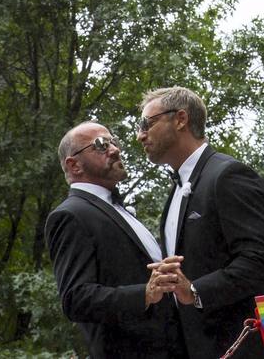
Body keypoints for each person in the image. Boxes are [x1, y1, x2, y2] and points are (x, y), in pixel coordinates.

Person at [137, 87, 264, 359]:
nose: (140, 134)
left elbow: (259, 262)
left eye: (147, 123)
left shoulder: (228, 175)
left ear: (180, 119)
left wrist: (194, 290)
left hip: (255, 349)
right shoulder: (173, 196)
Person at [45, 121, 186, 358]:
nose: (115, 149)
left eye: (113, 142)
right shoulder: (70, 215)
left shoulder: (119, 210)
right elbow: (76, 299)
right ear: (74, 165)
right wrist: (145, 293)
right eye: (100, 145)